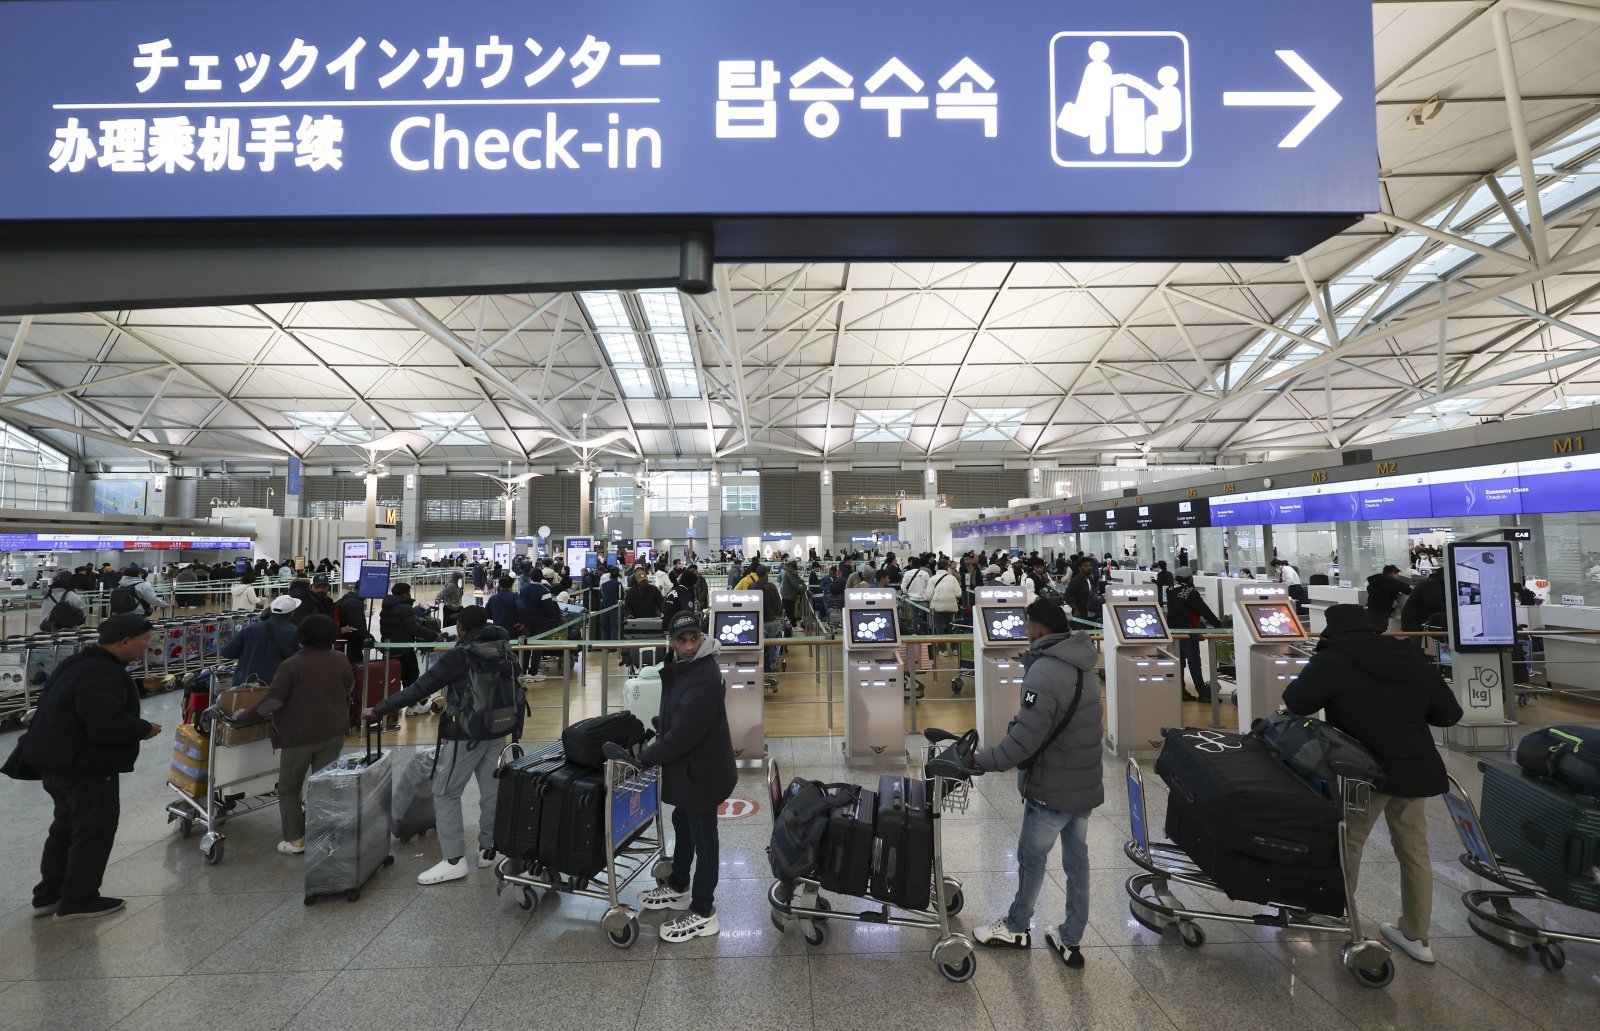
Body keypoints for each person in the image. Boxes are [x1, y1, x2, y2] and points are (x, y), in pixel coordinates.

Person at [1283, 604, 1463, 964]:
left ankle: (1335, 912)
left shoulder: (1333, 659)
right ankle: (1417, 934)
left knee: (1349, 843)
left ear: (1332, 630)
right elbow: (1448, 714)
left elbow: (1296, 702)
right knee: (1414, 851)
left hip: (1362, 772)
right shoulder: (1409, 656)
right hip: (1414, 769)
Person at [972, 600, 1103, 967]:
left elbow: (1024, 742)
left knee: (1031, 859)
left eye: (1027, 625)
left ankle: (1016, 926)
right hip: (1084, 783)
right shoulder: (1084, 664)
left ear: (1039, 629)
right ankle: (1070, 937)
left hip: (1052, 786)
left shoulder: (1044, 672)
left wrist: (981, 761)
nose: (1024, 631)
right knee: (1077, 862)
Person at [366, 605, 523, 885]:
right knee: (492, 792)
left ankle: (453, 860)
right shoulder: (503, 648)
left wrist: (379, 709)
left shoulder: (460, 655)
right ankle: (488, 849)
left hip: (465, 735)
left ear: (462, 628)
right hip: (498, 728)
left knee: (446, 792)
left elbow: (419, 688)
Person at [22, 613, 164, 920]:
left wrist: (139, 688)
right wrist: (145, 729)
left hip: (55, 761)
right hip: (85, 766)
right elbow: (106, 724)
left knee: (65, 826)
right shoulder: (102, 673)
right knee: (93, 830)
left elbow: (90, 700)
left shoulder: (81, 663)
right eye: (143, 640)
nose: (146, 645)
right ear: (124, 641)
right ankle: (78, 900)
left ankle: (49, 895)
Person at [632, 611, 737, 942]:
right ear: (671, 641)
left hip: (704, 772)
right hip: (692, 767)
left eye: (695, 638)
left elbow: (683, 735)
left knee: (704, 836)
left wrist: (643, 758)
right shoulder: (681, 667)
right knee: (683, 820)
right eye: (682, 640)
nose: (690, 646)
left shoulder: (704, 674)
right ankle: (679, 885)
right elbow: (679, 716)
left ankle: (704, 911)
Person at [229, 615, 353, 855]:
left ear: (301, 637)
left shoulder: (291, 666)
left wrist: (244, 715)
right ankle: (326, 835)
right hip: (334, 732)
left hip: (299, 736)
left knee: (288, 789)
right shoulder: (340, 659)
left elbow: (272, 702)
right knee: (325, 784)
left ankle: (295, 840)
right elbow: (348, 688)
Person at [221, 595, 301, 687]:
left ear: (271, 611)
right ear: (292, 613)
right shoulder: (296, 632)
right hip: (277, 686)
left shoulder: (251, 628)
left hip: (246, 685)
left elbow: (227, 652)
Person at [1165, 567, 1220, 702]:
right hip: (1188, 631)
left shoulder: (1170, 589)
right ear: (1190, 577)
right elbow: (1204, 610)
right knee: (1194, 663)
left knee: (1179, 663)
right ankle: (1203, 693)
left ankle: (1181, 692)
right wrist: (1219, 625)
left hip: (1174, 632)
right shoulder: (1190, 592)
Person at [1401, 569, 1447, 642]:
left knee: (1417, 643)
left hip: (1417, 620)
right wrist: (1452, 608)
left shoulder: (1432, 583)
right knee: (1416, 644)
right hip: (1416, 621)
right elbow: (1435, 604)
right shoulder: (1432, 584)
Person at [1365, 564, 1413, 632]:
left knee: (1371, 631)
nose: (1397, 577)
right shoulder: (1391, 581)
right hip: (1381, 613)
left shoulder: (1374, 580)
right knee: (1380, 632)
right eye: (1397, 575)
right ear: (1393, 573)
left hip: (1370, 610)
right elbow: (1408, 590)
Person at [1064, 557, 1095, 622]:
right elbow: (1067, 596)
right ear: (1080, 568)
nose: (1089, 568)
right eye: (1086, 566)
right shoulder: (1076, 580)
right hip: (1080, 614)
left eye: (1090, 565)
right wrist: (1076, 610)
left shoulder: (1091, 579)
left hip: (1091, 612)